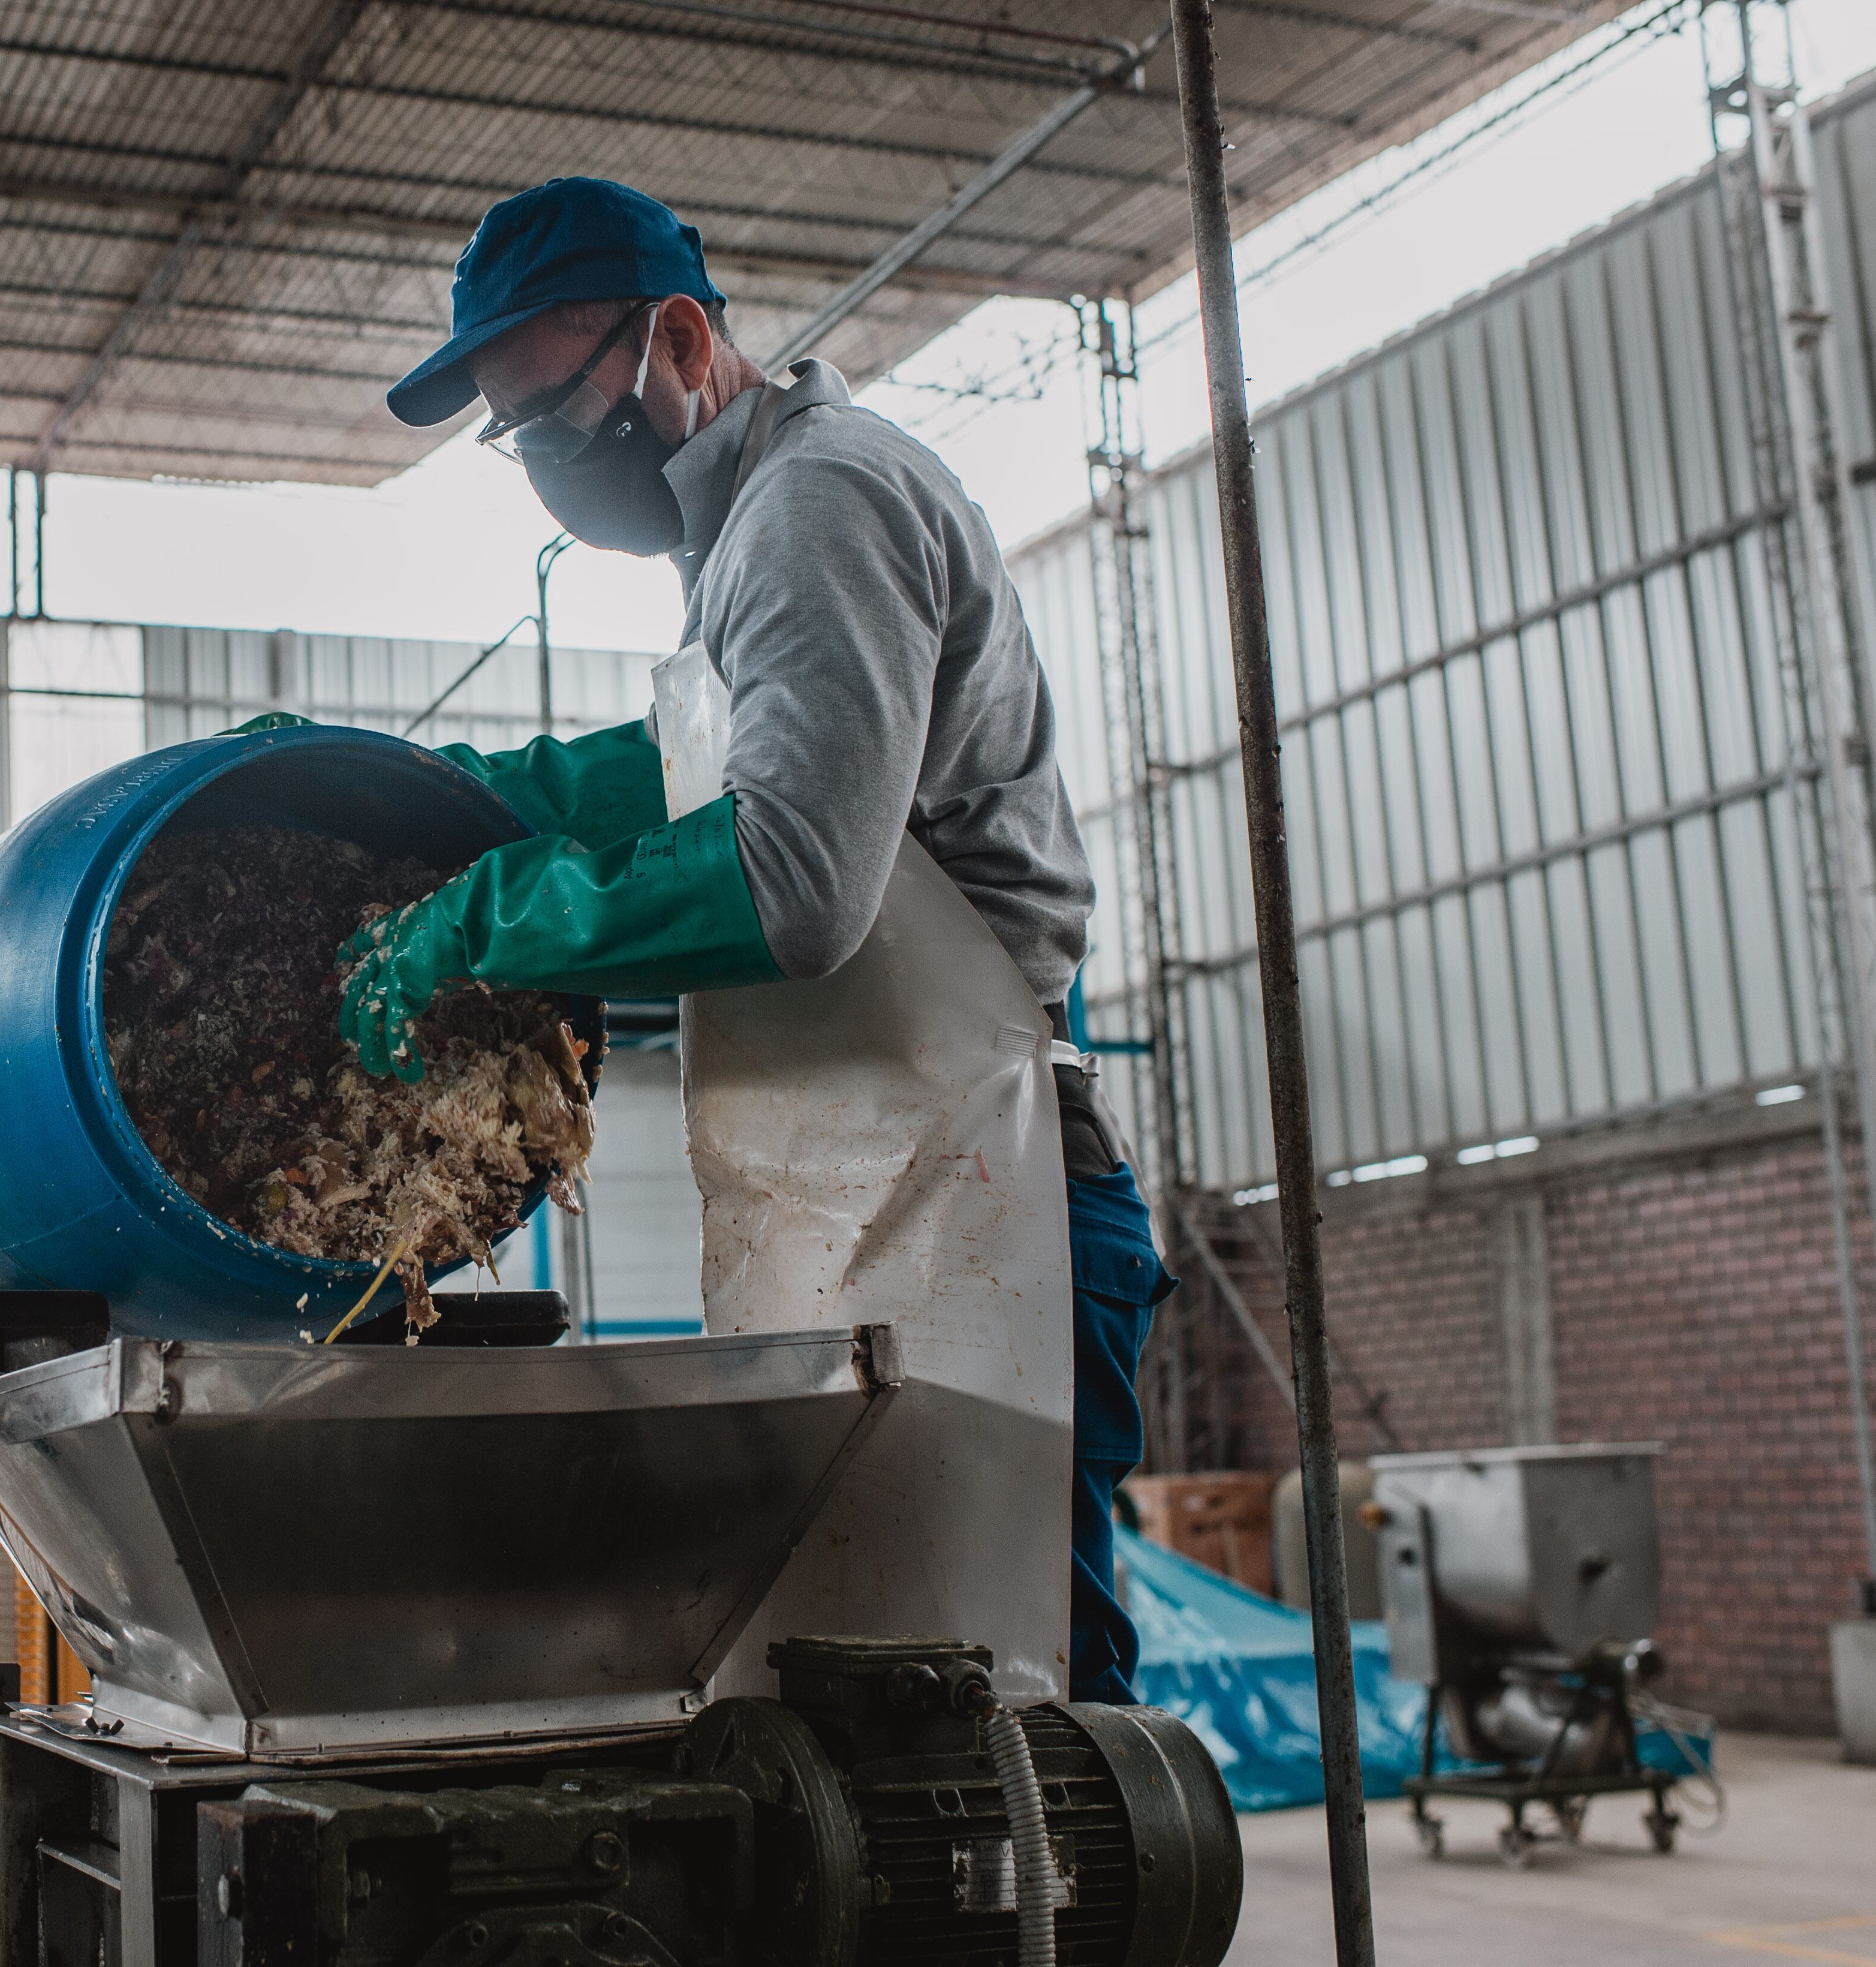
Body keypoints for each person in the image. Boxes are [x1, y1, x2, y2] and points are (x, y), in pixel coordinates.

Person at [327, 176, 1175, 1703]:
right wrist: (430, 797)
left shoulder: (817, 501)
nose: (547, 466)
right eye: (516, 438)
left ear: (677, 339)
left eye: (558, 416)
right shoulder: (738, 541)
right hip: (886, 1190)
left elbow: (790, 879)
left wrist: (485, 918)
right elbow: (671, 781)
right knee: (883, 1712)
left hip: (993, 1200)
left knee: (1016, 1729)